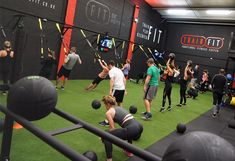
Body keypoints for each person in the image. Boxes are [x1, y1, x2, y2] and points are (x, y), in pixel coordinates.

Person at [101, 95, 143, 161]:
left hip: (132, 129)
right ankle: (128, 151)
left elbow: (112, 128)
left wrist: (103, 137)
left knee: (106, 135)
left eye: (105, 104)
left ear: (108, 104)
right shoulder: (119, 108)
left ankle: (109, 159)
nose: (105, 106)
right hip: (139, 126)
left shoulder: (108, 113)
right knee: (127, 130)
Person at [99, 60, 126, 126]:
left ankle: (107, 121)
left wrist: (110, 90)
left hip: (116, 89)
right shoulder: (119, 70)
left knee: (110, 104)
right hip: (122, 88)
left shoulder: (111, 71)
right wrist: (125, 89)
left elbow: (112, 80)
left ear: (110, 65)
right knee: (119, 103)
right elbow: (124, 79)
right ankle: (123, 117)